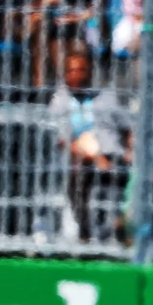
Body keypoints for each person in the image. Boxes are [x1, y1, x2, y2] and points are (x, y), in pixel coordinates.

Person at [49, 48, 125, 241]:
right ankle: (85, 230)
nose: (76, 76)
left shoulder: (105, 97)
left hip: (111, 154)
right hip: (79, 158)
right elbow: (61, 139)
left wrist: (133, 152)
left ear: (90, 72)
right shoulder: (60, 100)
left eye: (81, 70)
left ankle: (125, 225)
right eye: (71, 71)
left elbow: (127, 130)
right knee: (80, 157)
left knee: (151, 174)